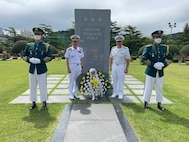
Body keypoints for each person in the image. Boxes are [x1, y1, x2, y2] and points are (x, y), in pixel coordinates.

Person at [141, 30, 173, 111]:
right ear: (153, 38)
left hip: (160, 72)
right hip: (151, 71)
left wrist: (164, 65)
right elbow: (143, 59)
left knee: (159, 88)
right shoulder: (148, 48)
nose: (158, 38)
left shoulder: (165, 48)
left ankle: (159, 103)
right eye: (157, 37)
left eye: (160, 37)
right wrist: (153, 64)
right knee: (148, 88)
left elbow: (170, 58)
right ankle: (146, 102)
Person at [23, 27, 52, 110]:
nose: (37, 36)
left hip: (41, 69)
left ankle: (44, 102)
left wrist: (41, 61)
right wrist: (29, 60)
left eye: (38, 34)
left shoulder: (46, 46)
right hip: (32, 69)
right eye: (35, 34)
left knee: (43, 86)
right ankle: (33, 102)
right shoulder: (29, 45)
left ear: (42, 35)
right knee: (32, 86)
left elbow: (49, 57)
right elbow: (24, 55)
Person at [109, 35, 131, 99]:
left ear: (122, 42)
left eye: (120, 41)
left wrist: (126, 68)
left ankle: (121, 93)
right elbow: (111, 58)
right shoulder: (113, 49)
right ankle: (115, 93)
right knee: (114, 80)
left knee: (121, 80)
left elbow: (127, 59)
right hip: (114, 66)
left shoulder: (125, 49)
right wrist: (110, 66)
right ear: (116, 42)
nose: (119, 43)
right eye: (118, 41)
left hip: (121, 66)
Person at [64, 35, 84, 100]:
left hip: (78, 66)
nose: (75, 43)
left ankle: (75, 93)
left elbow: (81, 59)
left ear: (78, 42)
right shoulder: (69, 50)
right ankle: (70, 93)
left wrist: (81, 67)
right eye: (74, 41)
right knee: (71, 81)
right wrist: (68, 68)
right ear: (72, 42)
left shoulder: (80, 50)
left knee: (77, 80)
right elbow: (67, 59)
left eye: (76, 41)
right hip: (72, 66)